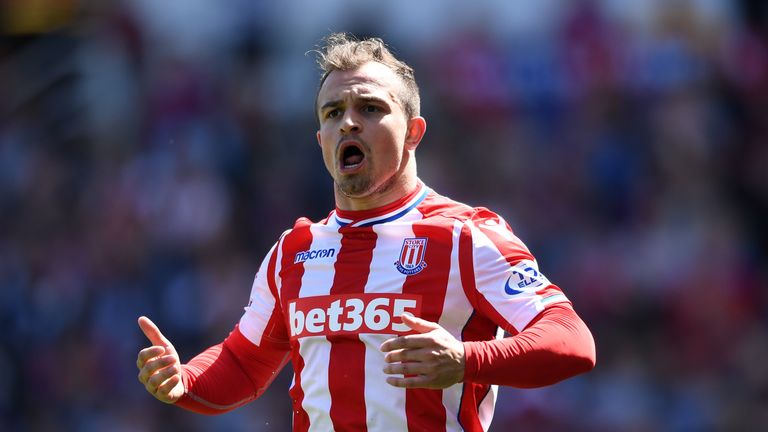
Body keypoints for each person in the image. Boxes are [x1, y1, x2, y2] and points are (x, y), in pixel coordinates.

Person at [136, 32, 596, 431]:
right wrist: (184, 382)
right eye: (332, 113)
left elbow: (571, 339)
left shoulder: (466, 237)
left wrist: (465, 360)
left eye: (370, 108)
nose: (348, 122)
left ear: (414, 132)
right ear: (321, 141)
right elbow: (243, 364)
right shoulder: (294, 252)